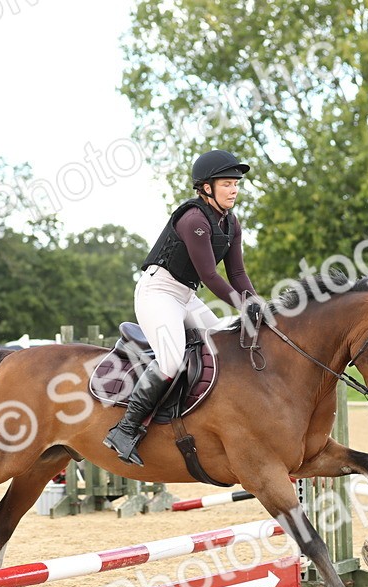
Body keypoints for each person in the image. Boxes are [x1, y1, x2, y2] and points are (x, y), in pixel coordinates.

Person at [102, 149, 259, 466]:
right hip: (157, 291)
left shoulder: (231, 224)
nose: (234, 190)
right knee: (171, 359)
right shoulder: (194, 219)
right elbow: (209, 275)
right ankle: (125, 428)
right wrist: (243, 306)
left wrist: (256, 305)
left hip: (186, 295)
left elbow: (238, 274)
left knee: (224, 345)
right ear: (205, 187)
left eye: (236, 184)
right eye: (227, 183)